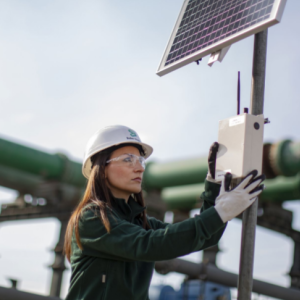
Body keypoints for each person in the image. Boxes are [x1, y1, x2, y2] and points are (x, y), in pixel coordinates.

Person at [64, 125, 264, 300]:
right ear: (101, 169)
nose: (139, 168)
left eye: (140, 161)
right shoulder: (91, 218)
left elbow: (205, 237)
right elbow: (152, 244)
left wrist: (213, 188)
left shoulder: (141, 224)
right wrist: (221, 212)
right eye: (128, 159)